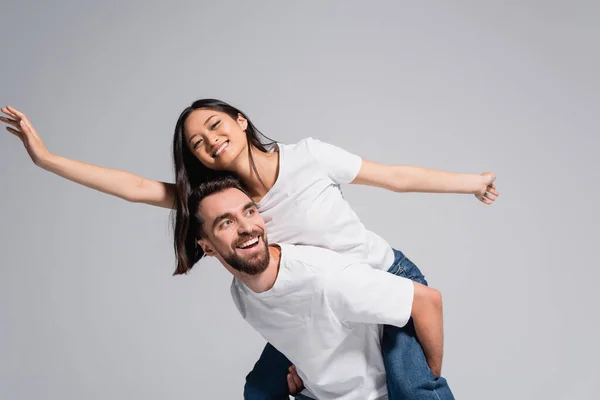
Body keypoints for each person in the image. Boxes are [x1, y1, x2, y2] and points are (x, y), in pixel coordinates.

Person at [2, 100, 498, 398]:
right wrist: (46, 159)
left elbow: (395, 177)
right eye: (197, 143)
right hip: (315, 306)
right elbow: (134, 187)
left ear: (240, 120)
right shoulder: (220, 201)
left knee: (413, 391)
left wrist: (473, 182)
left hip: (383, 284)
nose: (210, 141)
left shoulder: (307, 156)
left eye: (215, 126)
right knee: (261, 389)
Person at [189, 174, 449, 400]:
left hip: (377, 395)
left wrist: (425, 379)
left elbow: (427, 301)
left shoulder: (324, 277)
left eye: (249, 211)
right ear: (207, 247)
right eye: (226, 222)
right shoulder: (241, 294)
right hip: (316, 395)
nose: (247, 228)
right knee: (257, 391)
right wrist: (304, 372)